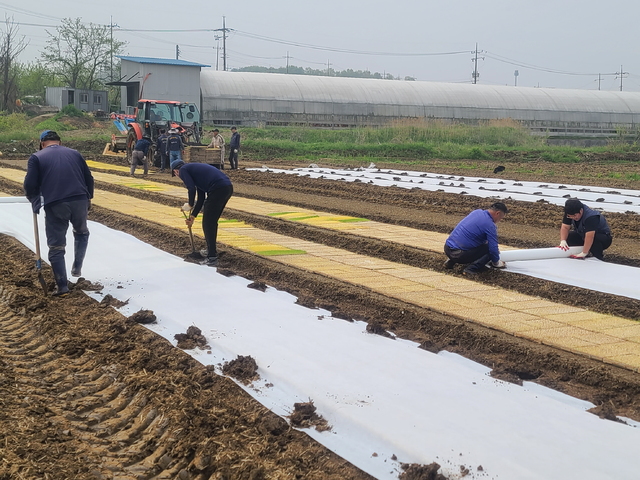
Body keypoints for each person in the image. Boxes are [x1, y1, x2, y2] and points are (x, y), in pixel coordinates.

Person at [23, 130, 94, 297]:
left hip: (56, 203)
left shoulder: (37, 157)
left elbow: (30, 183)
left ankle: (62, 286)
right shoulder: (75, 154)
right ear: (59, 142)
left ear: (42, 143)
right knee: (82, 232)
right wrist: (88, 198)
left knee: (56, 245)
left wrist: (33, 199)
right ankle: (77, 268)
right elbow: (88, 178)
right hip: (79, 200)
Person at [171, 159, 233, 266]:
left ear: (176, 171)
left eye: (176, 174)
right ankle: (211, 251)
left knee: (208, 223)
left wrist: (190, 204)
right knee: (211, 222)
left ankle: (212, 257)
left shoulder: (184, 170)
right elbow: (201, 198)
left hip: (217, 189)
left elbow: (191, 189)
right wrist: (193, 216)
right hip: (226, 188)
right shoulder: (195, 173)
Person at [444, 202, 508, 275]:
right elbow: (493, 248)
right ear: (498, 213)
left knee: (467, 239)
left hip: (447, 248)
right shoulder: (490, 225)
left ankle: (450, 262)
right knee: (490, 250)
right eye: (501, 218)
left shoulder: (477, 212)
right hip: (459, 255)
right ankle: (470, 269)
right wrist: (496, 263)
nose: (499, 220)